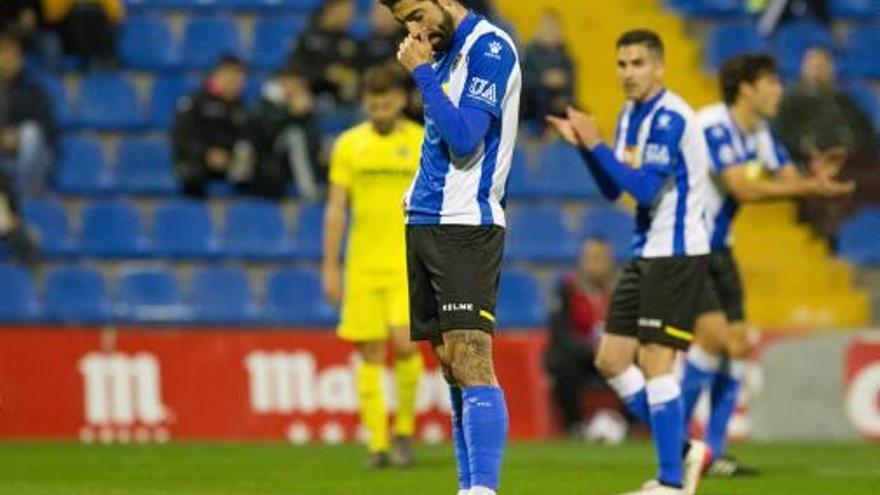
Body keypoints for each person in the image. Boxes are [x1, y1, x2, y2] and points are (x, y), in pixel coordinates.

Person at [547, 30, 710, 495]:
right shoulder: (628, 116)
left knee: (657, 362)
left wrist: (596, 144)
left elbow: (646, 190)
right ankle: (682, 450)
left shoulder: (670, 118)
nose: (628, 73)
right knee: (612, 358)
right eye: (621, 64)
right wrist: (586, 146)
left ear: (659, 67)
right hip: (647, 253)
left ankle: (671, 482)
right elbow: (611, 189)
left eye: (637, 63)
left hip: (676, 254)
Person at [683, 53, 853, 477]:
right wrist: (811, 186)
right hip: (687, 242)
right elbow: (742, 189)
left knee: (737, 345)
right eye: (771, 82)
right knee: (713, 340)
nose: (780, 89)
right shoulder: (713, 125)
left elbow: (785, 176)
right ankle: (673, 442)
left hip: (720, 246)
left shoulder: (758, 131)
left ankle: (714, 454)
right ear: (746, 88)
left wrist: (815, 180)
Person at [381, 1, 521, 494]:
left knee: (472, 357)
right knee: (449, 363)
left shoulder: (489, 48)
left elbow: (465, 139)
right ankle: (467, 487)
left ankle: (482, 490)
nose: (416, 29)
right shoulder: (439, 53)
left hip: (465, 224)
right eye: (406, 24)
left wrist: (420, 76)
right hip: (426, 221)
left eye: (418, 13)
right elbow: (439, 142)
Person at [322, 63, 425, 469]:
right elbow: (335, 209)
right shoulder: (348, 145)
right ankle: (377, 444)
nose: (379, 112)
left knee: (404, 344)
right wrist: (330, 265)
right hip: (362, 264)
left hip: (406, 261)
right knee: (368, 351)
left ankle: (403, 432)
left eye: (386, 104)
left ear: (400, 101)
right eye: (373, 105)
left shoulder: (421, 142)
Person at [544, 238, 614, 438]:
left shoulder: (617, 292)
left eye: (602, 259)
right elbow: (560, 332)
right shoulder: (567, 289)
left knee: (636, 360)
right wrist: (591, 349)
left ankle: (627, 425)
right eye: (592, 258)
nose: (597, 264)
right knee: (562, 363)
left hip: (610, 356)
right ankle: (574, 426)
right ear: (582, 261)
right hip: (579, 356)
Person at [171, 56, 253, 198]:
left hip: (229, 162)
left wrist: (236, 157)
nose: (233, 82)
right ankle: (194, 216)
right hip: (198, 160)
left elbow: (246, 138)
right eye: (229, 76)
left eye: (238, 77)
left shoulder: (242, 108)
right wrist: (206, 154)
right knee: (191, 175)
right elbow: (181, 137)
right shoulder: (195, 102)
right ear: (217, 76)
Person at [249, 67, 323, 200]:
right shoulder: (268, 100)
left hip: (294, 162)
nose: (296, 88)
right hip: (268, 161)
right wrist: (290, 113)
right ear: (283, 82)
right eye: (293, 83)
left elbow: (312, 137)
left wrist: (306, 115)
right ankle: (308, 190)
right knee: (294, 136)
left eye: (300, 85)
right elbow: (266, 134)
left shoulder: (304, 103)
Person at [0, 31, 57, 195]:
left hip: (26, 158)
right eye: (3, 54)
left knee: (31, 132)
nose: (8, 60)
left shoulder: (34, 91)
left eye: (14, 55)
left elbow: (50, 127)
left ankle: (23, 192)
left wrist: (17, 136)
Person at [288, 0, 360, 107]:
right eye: (346, 11)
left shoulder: (350, 41)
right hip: (310, 93)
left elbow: (357, 69)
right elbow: (296, 67)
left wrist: (348, 77)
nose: (349, 16)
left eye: (351, 12)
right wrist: (325, 74)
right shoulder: (308, 36)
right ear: (331, 9)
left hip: (340, 97)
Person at [521, 10, 576, 131]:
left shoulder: (566, 57)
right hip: (531, 106)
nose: (549, 32)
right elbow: (521, 80)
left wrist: (565, 98)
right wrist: (543, 79)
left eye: (553, 29)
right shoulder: (528, 53)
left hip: (558, 105)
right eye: (545, 28)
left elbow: (572, 87)